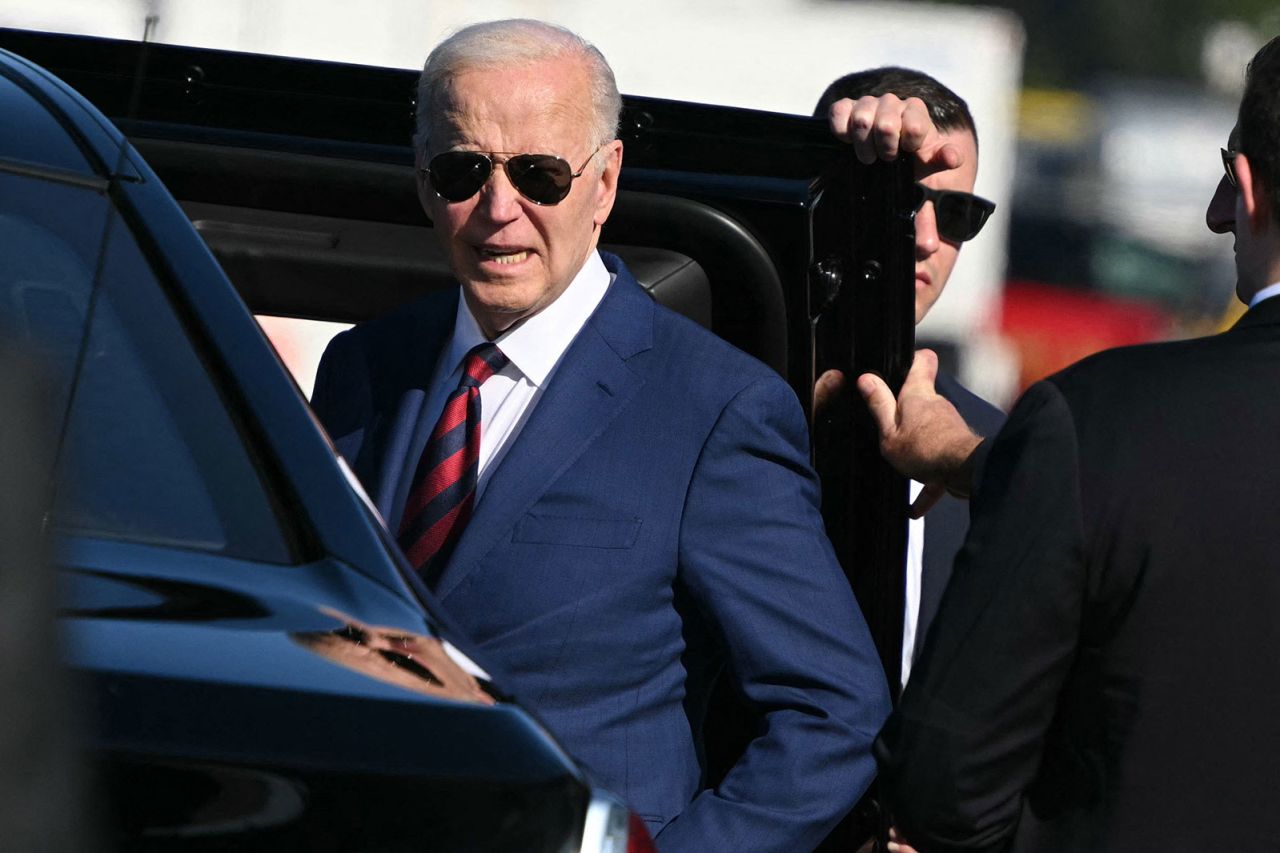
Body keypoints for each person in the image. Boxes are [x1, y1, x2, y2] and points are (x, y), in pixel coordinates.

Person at [310, 19, 891, 851]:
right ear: (422, 179)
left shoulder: (713, 406)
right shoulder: (364, 366)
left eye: (541, 174)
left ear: (605, 182)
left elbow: (835, 709)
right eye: (463, 170)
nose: (499, 210)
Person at [854, 35, 1280, 853]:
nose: (1215, 214)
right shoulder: (1074, 435)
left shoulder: (1097, 422)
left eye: (1228, 173)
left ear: (1250, 188)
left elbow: (946, 786)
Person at [814, 68, 1005, 688]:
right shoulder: (709, 390)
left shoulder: (993, 444)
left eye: (956, 213)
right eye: (898, 201)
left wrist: (968, 462)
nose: (926, 240)